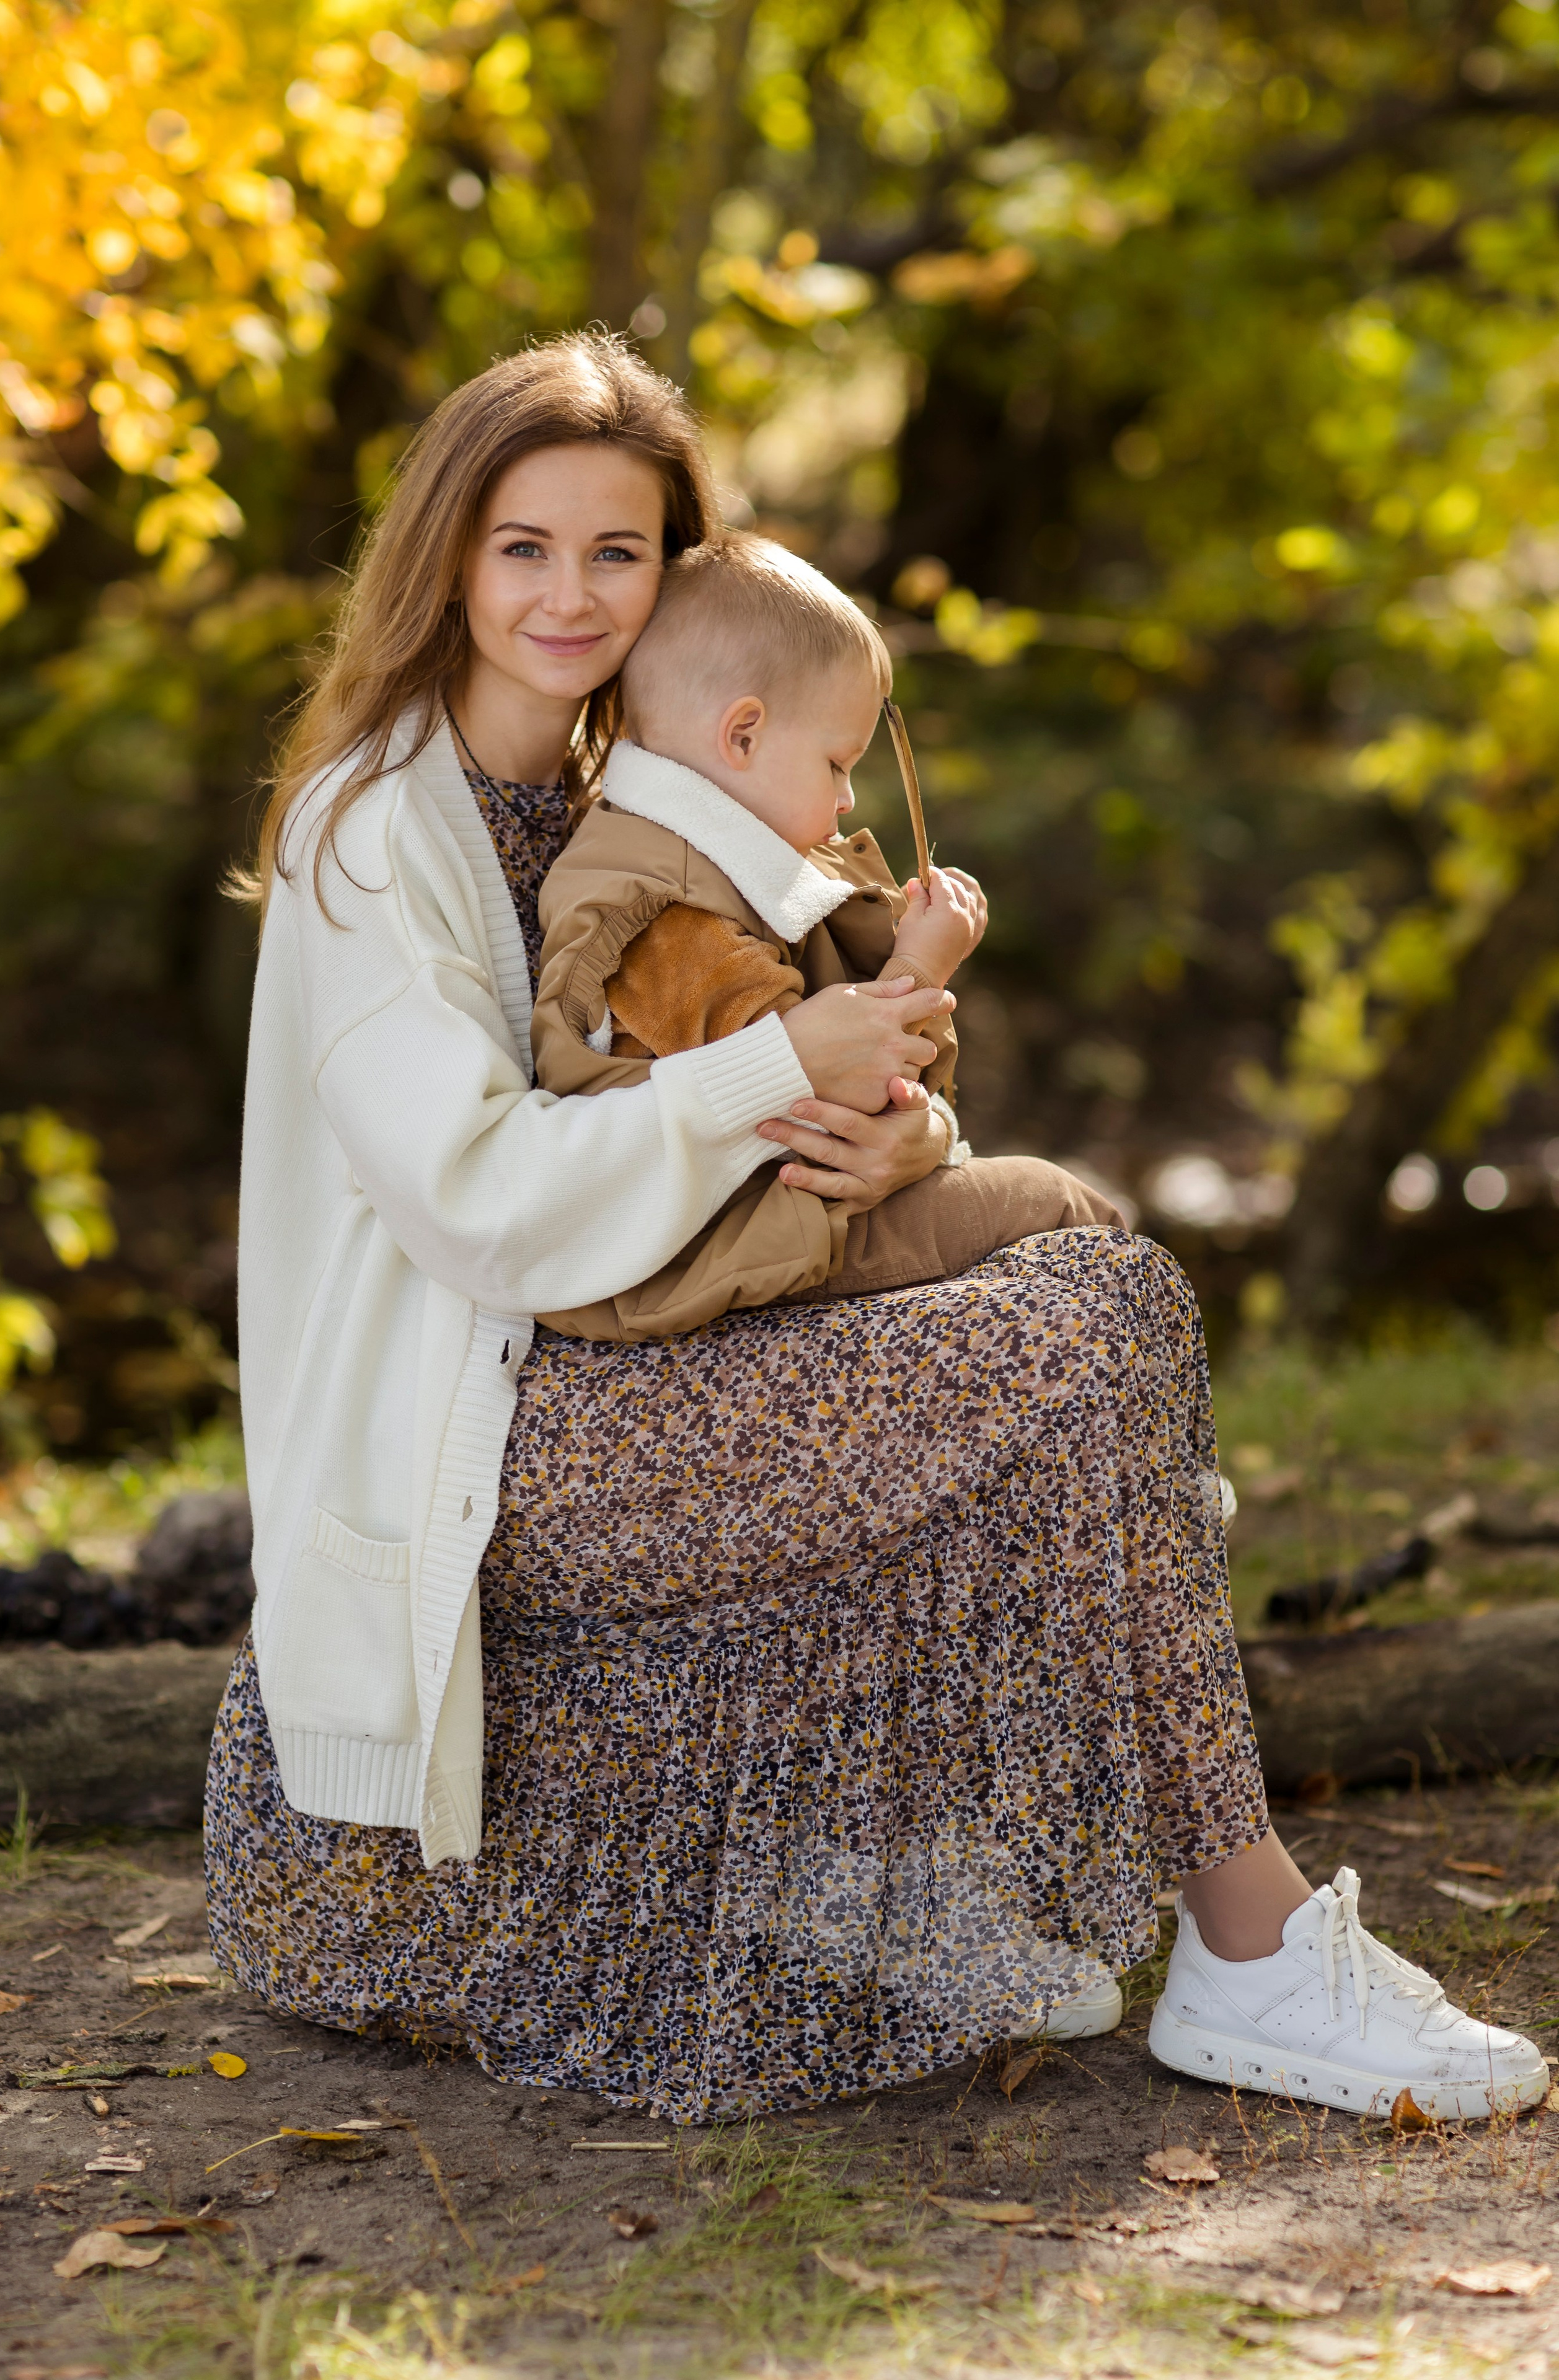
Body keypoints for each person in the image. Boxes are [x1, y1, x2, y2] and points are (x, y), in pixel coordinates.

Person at [205, 332, 1547, 2128]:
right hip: (504, 1432)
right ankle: (1250, 1949)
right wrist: (766, 1078)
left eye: (619, 551)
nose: (568, 593)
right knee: (1096, 1334)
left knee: (1092, 1293)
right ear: (449, 551)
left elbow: (784, 1081)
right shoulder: (375, 838)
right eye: (524, 544)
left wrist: (890, 1121)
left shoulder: (657, 778)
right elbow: (486, 1206)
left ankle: (1164, 1918)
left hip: (635, 1353)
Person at [526, 529, 1123, 1343]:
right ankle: (1181, 1472)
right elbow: (829, 1090)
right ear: (743, 736)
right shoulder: (659, 912)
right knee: (1061, 1208)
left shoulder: (696, 866)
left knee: (1071, 1246)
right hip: (725, 1241)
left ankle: (1146, 1464)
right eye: (837, 764)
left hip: (775, 1213)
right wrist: (919, 962)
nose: (846, 802)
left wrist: (929, 1123)